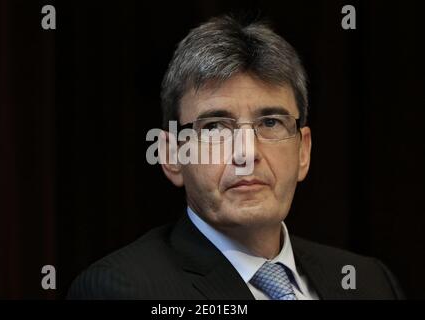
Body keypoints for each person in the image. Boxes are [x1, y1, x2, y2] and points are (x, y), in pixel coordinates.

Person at [67, 15, 404, 300]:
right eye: (215, 126)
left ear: (303, 151)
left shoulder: (371, 282)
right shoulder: (124, 289)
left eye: (270, 122)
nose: (247, 154)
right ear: (171, 156)